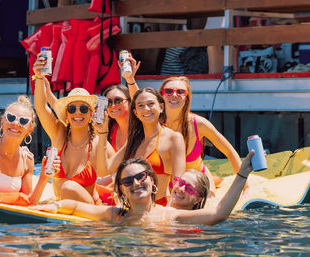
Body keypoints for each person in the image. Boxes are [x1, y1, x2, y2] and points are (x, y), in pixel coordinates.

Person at [32, 152, 255, 225]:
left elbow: (219, 213)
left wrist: (242, 175)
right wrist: (53, 205)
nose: (136, 183)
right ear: (121, 191)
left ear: (152, 181)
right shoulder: (115, 215)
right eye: (128, 182)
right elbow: (72, 207)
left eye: (140, 177)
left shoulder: (171, 216)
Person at [33, 57, 114, 204]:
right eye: (72, 109)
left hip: (88, 215)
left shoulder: (98, 143)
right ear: (67, 114)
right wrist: (39, 77)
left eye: (83, 109)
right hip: (61, 212)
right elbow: (40, 108)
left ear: (91, 114)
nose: (77, 113)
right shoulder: (59, 134)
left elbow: (119, 172)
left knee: (69, 187)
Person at [99, 88, 186, 206]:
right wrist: (102, 134)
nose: (146, 109)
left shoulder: (173, 138)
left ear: (161, 107)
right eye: (140, 106)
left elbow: (178, 184)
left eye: (151, 104)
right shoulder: (134, 139)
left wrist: (167, 213)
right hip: (130, 208)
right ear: (135, 112)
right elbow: (104, 170)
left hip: (157, 208)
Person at [159, 76, 242, 192]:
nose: (174, 95)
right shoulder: (154, 124)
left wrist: (245, 186)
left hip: (198, 183)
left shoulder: (198, 124)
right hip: (167, 187)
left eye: (180, 92)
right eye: (168, 91)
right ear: (161, 96)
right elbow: (138, 103)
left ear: (186, 97)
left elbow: (229, 151)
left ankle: (213, 180)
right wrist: (131, 80)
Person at [0, 96, 56, 205]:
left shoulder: (27, 159)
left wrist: (44, 177)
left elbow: (30, 202)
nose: (15, 123)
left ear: (30, 130)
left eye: (23, 121)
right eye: (10, 117)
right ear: (2, 122)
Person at [103, 53, 141, 152]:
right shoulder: (110, 130)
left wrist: (130, 79)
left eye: (118, 101)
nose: (113, 106)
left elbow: (139, 101)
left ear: (129, 102)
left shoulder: (141, 123)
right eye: (108, 103)